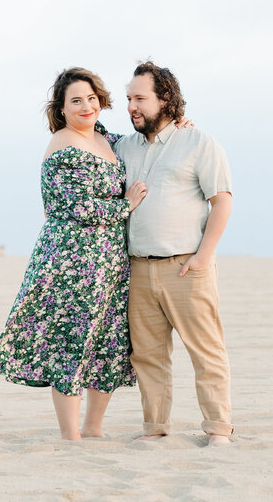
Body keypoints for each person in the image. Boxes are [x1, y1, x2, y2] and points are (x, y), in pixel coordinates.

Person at [0, 67, 148, 441]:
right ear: (61, 109)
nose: (86, 105)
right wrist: (124, 206)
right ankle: (70, 435)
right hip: (70, 260)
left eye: (91, 98)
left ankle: (93, 427)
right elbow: (74, 206)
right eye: (76, 100)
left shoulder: (105, 138)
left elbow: (142, 143)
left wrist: (177, 124)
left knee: (108, 339)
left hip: (109, 261)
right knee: (71, 341)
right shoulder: (64, 144)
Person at [114, 61, 234, 446]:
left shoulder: (200, 143)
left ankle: (218, 430)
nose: (132, 106)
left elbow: (222, 202)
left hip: (186, 266)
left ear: (165, 98)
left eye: (140, 98)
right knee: (148, 357)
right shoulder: (121, 147)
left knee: (206, 352)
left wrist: (203, 256)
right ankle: (156, 429)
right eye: (128, 98)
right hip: (137, 268)